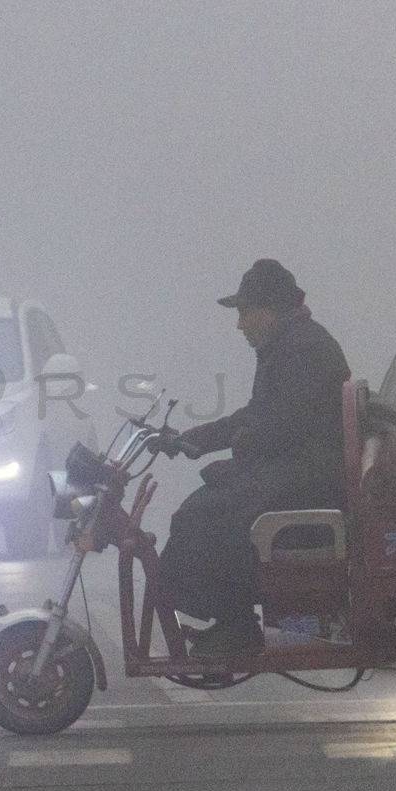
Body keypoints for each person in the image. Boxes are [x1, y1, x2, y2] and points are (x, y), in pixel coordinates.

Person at [151, 259, 351, 657]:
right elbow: (259, 417)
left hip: (309, 480)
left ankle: (237, 627)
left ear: (269, 310)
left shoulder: (304, 351)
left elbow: (281, 429)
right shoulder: (289, 347)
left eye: (244, 313)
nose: (239, 324)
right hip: (295, 472)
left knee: (206, 516)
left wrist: (231, 455)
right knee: (207, 506)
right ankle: (232, 621)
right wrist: (197, 439)